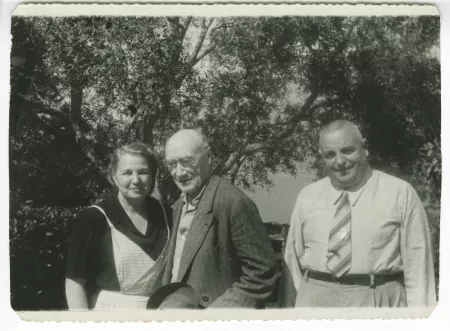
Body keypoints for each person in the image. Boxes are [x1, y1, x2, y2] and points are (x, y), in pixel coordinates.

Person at [281, 120, 436, 307]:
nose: (339, 161)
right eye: (330, 155)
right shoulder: (308, 196)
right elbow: (292, 263)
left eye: (347, 150)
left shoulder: (400, 193)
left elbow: (418, 270)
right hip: (314, 301)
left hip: (376, 301)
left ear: (365, 148)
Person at [160, 129, 278, 308]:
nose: (179, 173)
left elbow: (262, 273)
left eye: (187, 162)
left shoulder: (233, 202)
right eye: (171, 164)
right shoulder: (178, 206)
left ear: (208, 156)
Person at [65, 142, 170, 310]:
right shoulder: (92, 218)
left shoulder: (166, 213)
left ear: (152, 176)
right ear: (114, 177)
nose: (136, 180)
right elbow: (75, 281)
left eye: (143, 172)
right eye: (127, 173)